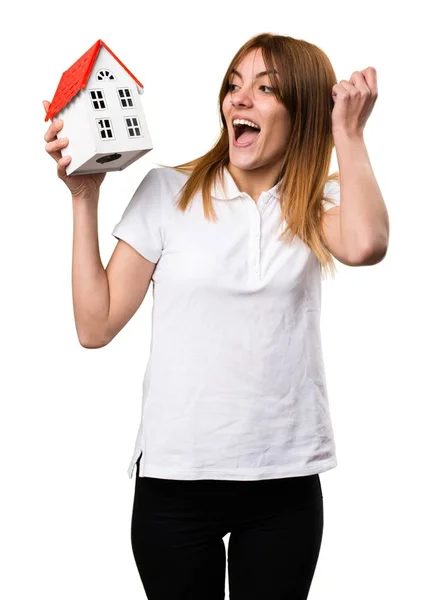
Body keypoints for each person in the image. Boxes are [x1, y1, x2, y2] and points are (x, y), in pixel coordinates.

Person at [43, 31, 373, 600]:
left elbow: (367, 245)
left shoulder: (317, 206)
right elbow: (94, 327)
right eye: (233, 84)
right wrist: (83, 196)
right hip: (174, 482)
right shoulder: (167, 192)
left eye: (265, 88)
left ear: (302, 111)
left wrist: (346, 132)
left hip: (285, 480)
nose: (238, 100)